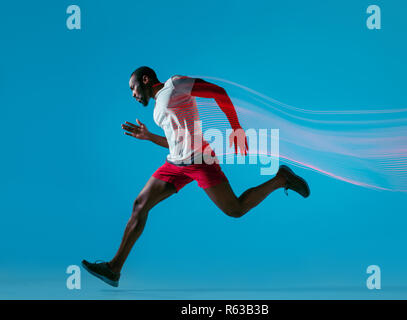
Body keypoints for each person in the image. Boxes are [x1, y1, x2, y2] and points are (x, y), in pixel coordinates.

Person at [82, 66, 310, 287]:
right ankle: (114, 269)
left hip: (199, 161)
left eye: (132, 88)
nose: (132, 94)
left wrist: (236, 128)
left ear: (145, 80)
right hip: (175, 163)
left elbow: (218, 92)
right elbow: (175, 142)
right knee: (139, 205)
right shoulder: (157, 108)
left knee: (235, 210)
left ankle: (281, 178)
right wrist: (150, 136)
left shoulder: (176, 84)